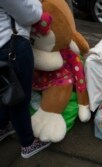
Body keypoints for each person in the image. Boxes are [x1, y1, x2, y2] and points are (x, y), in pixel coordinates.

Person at [0, 0, 51, 158]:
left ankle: (3, 126)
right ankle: (28, 143)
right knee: (19, 97)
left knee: (4, 91)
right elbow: (30, 14)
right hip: (12, 46)